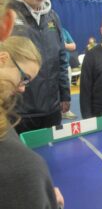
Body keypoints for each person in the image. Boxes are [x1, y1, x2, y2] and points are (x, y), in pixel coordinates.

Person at [0, 36, 64, 209]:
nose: (22, 88)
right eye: (24, 77)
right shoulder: (26, 167)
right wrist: (47, 200)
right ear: (3, 59)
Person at [8, 0, 71, 134]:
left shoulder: (53, 17)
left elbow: (61, 57)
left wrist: (64, 94)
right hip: (17, 114)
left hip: (52, 110)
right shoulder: (5, 13)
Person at [62, 28, 77, 119]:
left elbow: (73, 46)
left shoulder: (64, 31)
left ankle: (66, 111)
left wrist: (64, 45)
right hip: (51, 68)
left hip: (65, 66)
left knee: (66, 89)